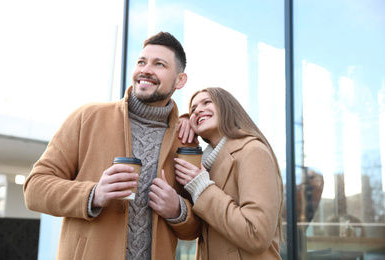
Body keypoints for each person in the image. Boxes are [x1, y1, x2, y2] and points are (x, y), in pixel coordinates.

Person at [23, 32, 201, 260]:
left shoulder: (184, 139)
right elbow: (34, 189)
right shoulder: (87, 118)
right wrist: (93, 194)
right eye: (141, 62)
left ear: (180, 80)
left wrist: (178, 210)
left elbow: (196, 228)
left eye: (159, 64)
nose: (146, 70)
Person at [174, 87, 284, 259]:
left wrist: (203, 189)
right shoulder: (206, 165)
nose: (198, 110)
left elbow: (257, 235)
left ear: (227, 107)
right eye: (193, 109)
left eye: (207, 102)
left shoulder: (252, 151)